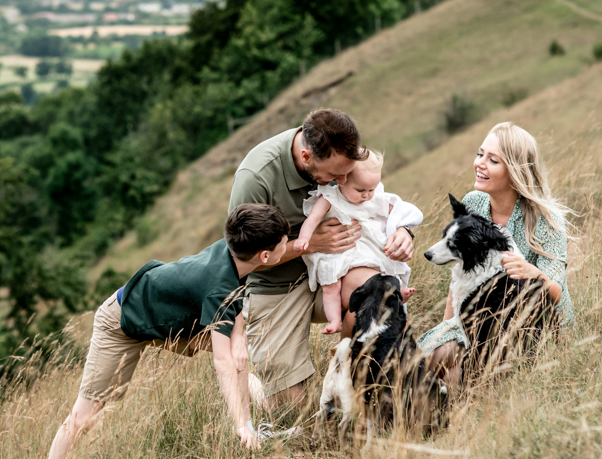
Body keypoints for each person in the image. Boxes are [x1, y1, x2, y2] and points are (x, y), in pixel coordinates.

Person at [43, 203, 291, 459]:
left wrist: (238, 335)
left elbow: (233, 296)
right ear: (265, 256)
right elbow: (221, 360)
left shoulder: (236, 251)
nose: (288, 246)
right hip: (121, 323)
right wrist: (236, 424)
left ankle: (255, 428)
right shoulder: (218, 286)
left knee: (240, 352)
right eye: (284, 243)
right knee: (85, 417)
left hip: (171, 319)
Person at [227, 108, 416, 407]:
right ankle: (252, 385)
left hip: (335, 271)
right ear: (306, 157)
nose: (342, 180)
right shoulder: (256, 178)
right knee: (291, 408)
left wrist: (404, 230)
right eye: (334, 176)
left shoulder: (339, 159)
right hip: (275, 286)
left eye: (347, 173)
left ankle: (355, 384)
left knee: (377, 293)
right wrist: (309, 244)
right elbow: (239, 258)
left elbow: (379, 202)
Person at [419, 121, 573, 385]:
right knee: (431, 359)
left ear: (514, 171)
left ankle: (470, 397)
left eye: (492, 160)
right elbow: (461, 275)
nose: (480, 163)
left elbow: (556, 292)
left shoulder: (547, 221)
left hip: (532, 327)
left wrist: (532, 273)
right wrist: (446, 329)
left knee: (470, 368)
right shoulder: (473, 202)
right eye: (480, 154)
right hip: (474, 319)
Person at [295, 150, 422, 334]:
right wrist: (304, 238)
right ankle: (335, 320)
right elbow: (312, 219)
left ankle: (397, 291)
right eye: (361, 190)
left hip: (368, 248)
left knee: (387, 267)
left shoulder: (376, 198)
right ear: (342, 180)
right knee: (331, 285)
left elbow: (404, 212)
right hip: (339, 252)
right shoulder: (330, 198)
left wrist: (402, 228)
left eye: (371, 189)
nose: (367, 195)